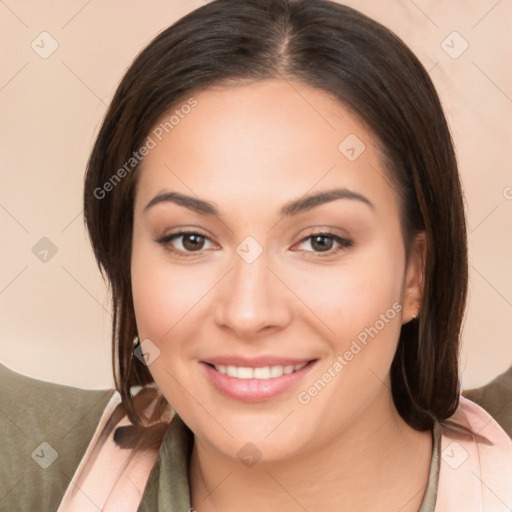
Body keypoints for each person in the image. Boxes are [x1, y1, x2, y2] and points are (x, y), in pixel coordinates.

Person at [1, 0, 511, 511]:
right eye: (190, 240)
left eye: (321, 241)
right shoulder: (34, 466)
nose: (248, 313)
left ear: (414, 275)